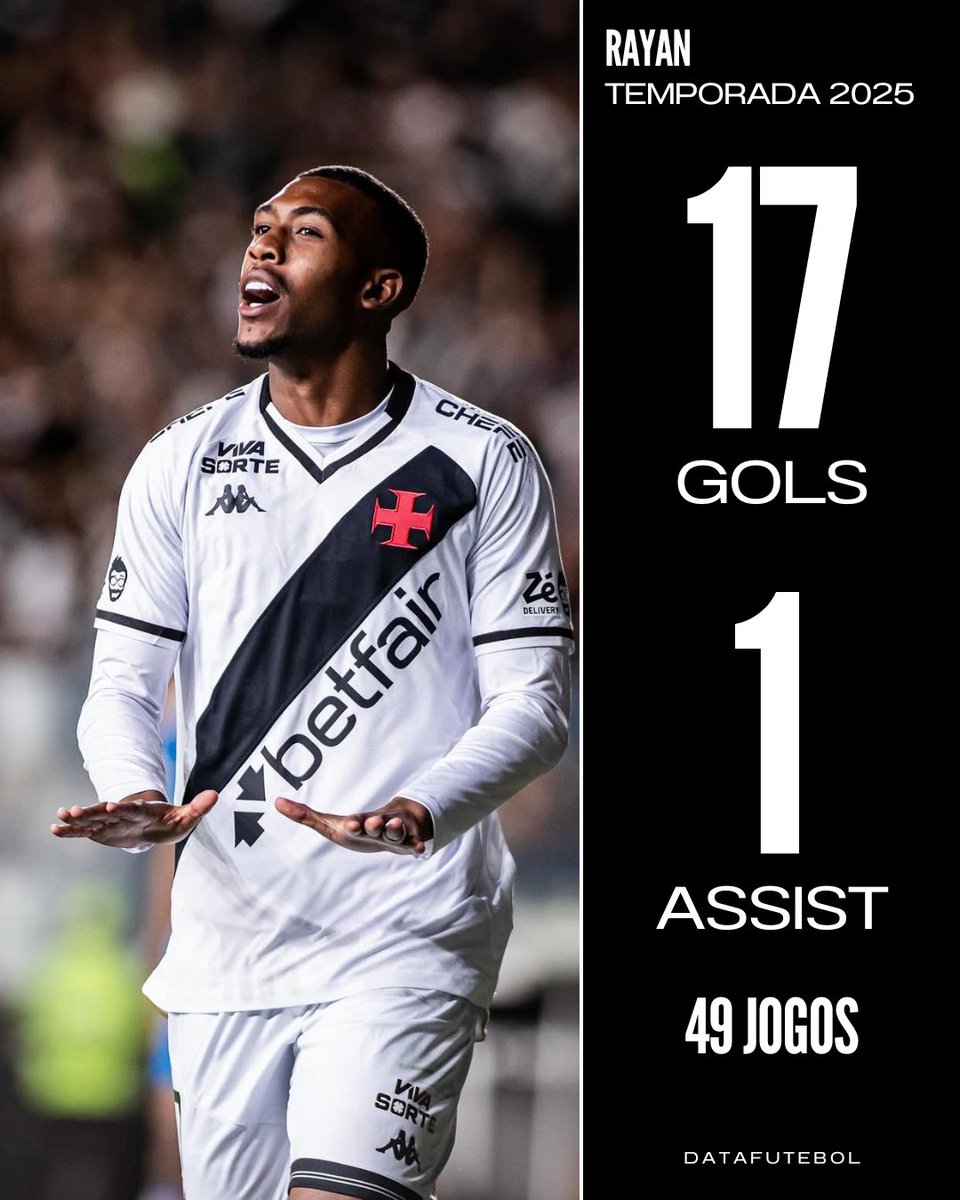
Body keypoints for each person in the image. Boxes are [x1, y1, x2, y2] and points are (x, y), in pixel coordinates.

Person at [51, 165, 573, 1200]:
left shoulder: (482, 461)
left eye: (303, 233)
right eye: (259, 229)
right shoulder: (181, 462)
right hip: (229, 946)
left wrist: (424, 807)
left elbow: (537, 702)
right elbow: (122, 684)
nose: (262, 247)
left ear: (379, 289)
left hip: (406, 931)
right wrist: (133, 789)